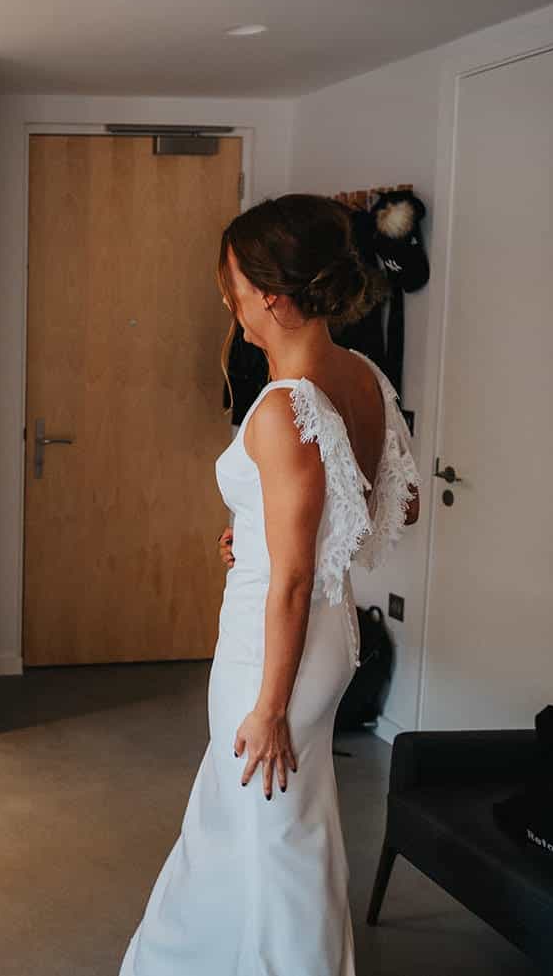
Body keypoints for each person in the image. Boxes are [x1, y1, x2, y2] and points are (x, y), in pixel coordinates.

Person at [119, 195, 422, 975]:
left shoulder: (286, 407)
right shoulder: (364, 378)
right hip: (329, 635)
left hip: (274, 650)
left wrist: (269, 706)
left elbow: (290, 579)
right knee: (265, 825)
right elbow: (397, 502)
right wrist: (259, 527)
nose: (230, 304)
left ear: (276, 297)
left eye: (236, 288)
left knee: (274, 841)